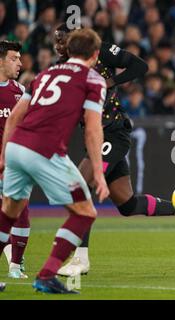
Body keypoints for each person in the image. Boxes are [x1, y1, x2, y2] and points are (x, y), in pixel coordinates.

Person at [53, 24, 175, 277]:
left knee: (79, 185)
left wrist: (110, 81)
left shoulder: (99, 52)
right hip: (94, 137)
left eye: (64, 40)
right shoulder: (61, 69)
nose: (59, 45)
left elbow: (140, 65)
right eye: (56, 41)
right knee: (126, 204)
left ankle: (81, 260)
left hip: (113, 132)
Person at [0, 28, 109, 294]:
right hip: (45, 150)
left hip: (16, 147)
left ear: (69, 51)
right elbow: (94, 129)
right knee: (85, 213)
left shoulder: (43, 74)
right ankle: (47, 274)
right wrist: (98, 171)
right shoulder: (93, 79)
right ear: (95, 55)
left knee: (8, 213)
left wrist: (4, 154)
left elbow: (14, 117)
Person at [0, 40, 29, 279]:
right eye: (13, 58)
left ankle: (15, 267)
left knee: (21, 212)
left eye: (19, 58)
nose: (20, 63)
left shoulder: (20, 92)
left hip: (13, 166)